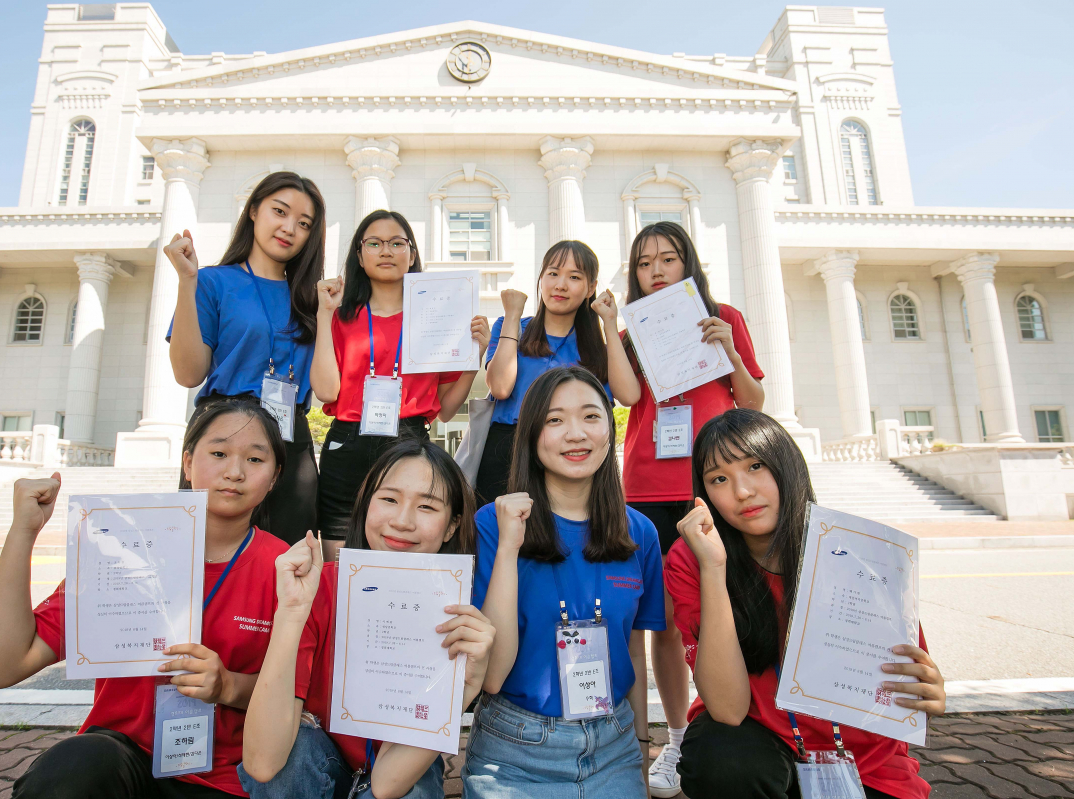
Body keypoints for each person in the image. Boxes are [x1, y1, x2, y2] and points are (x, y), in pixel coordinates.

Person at [0, 396, 292, 798]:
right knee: (75, 764)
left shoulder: (286, 568)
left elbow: (302, 699)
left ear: (274, 477)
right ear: (188, 462)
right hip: (122, 759)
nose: (234, 472)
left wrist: (229, 686)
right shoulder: (120, 547)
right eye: (219, 453)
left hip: (228, 778)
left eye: (254, 459)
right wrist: (23, 531)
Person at [666, 408, 946, 799]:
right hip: (758, 740)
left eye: (756, 466)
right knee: (720, 760)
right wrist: (715, 568)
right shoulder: (692, 558)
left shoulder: (858, 551)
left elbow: (906, 678)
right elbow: (728, 710)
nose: (742, 491)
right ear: (704, 494)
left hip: (862, 757)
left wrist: (930, 691)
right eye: (719, 479)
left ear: (787, 465)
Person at [593, 220, 765, 796]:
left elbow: (753, 401)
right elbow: (627, 397)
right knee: (662, 621)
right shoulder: (631, 332)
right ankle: (675, 737)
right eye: (645, 263)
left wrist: (728, 348)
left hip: (713, 483)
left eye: (667, 258)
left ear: (687, 262)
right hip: (647, 487)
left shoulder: (724, 317)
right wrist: (610, 327)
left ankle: (743, 725)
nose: (657, 271)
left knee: (726, 608)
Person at [239, 438, 495, 799]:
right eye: (389, 499)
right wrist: (291, 613)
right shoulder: (318, 587)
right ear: (366, 504)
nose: (402, 521)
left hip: (397, 769)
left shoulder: (456, 618)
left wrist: (466, 686)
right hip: (316, 764)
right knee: (293, 754)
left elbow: (387, 785)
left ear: (452, 526)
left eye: (426, 506)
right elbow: (264, 765)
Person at [464, 366, 665, 798]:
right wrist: (509, 547)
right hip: (515, 752)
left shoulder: (639, 533)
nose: (576, 434)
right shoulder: (493, 524)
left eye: (591, 416)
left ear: (609, 430)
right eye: (555, 419)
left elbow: (633, 649)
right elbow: (493, 676)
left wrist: (642, 749)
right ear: (531, 436)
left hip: (614, 747)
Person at [312, 209, 489, 561]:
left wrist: (475, 356)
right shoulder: (339, 315)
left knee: (404, 561)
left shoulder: (435, 317)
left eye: (397, 243)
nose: (386, 251)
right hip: (348, 444)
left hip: (410, 444)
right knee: (342, 567)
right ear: (359, 255)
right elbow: (326, 392)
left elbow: (446, 410)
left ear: (411, 254)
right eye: (374, 243)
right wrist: (324, 313)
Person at [166, 171, 326, 546]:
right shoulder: (211, 282)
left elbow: (325, 387)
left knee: (289, 557)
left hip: (290, 436)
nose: (289, 228)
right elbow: (188, 374)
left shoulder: (314, 299)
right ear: (253, 211)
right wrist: (187, 283)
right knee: (206, 555)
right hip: (224, 429)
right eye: (279, 211)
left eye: (304, 223)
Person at [476, 240, 610, 505]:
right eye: (553, 273)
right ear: (541, 278)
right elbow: (500, 387)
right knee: (495, 525)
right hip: (505, 446)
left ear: (590, 288)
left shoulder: (596, 348)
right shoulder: (510, 325)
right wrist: (512, 315)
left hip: (565, 448)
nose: (560, 285)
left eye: (574, 277)